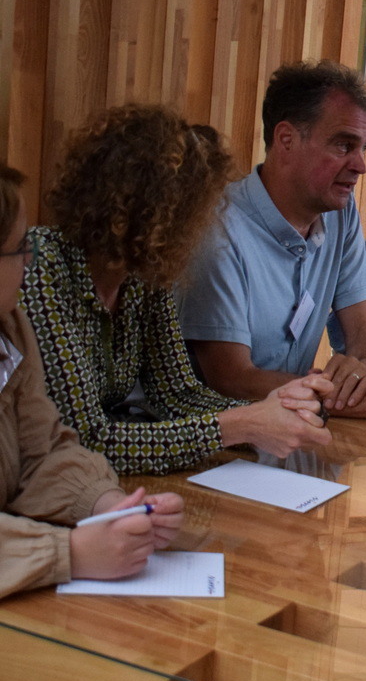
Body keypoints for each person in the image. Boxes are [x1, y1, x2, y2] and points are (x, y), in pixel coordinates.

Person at [20, 105, 333, 476]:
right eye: (198, 211)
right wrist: (239, 426)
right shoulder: (40, 268)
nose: (203, 227)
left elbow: (177, 393)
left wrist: (273, 410)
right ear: (157, 212)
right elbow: (84, 440)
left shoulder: (143, 274)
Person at [177, 60, 366, 417]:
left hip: (294, 423)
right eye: (344, 145)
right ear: (286, 140)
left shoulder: (339, 210)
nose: (361, 166)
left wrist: (363, 371)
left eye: (364, 147)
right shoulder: (218, 231)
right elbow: (231, 379)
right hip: (212, 432)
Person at [0, 162, 185, 598]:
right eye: (19, 248)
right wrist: (69, 552)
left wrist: (110, 506)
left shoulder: (11, 328)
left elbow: (42, 453)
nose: (29, 259)